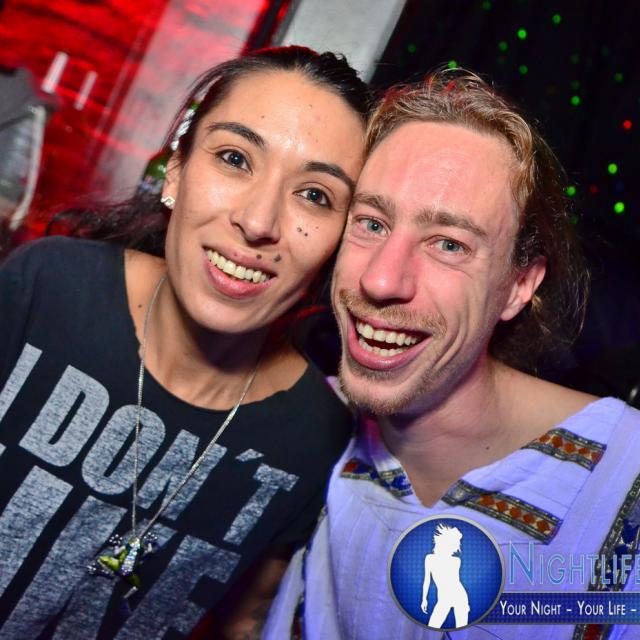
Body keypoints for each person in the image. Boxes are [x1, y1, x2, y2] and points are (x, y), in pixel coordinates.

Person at [0, 45, 370, 639]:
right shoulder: (47, 288)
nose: (259, 222)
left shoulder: (317, 438)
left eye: (315, 195)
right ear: (176, 171)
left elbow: (247, 623)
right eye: (234, 158)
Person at [264, 68, 640, 639]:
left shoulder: (622, 482)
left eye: (448, 244)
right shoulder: (306, 429)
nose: (382, 280)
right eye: (371, 223)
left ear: (518, 286)